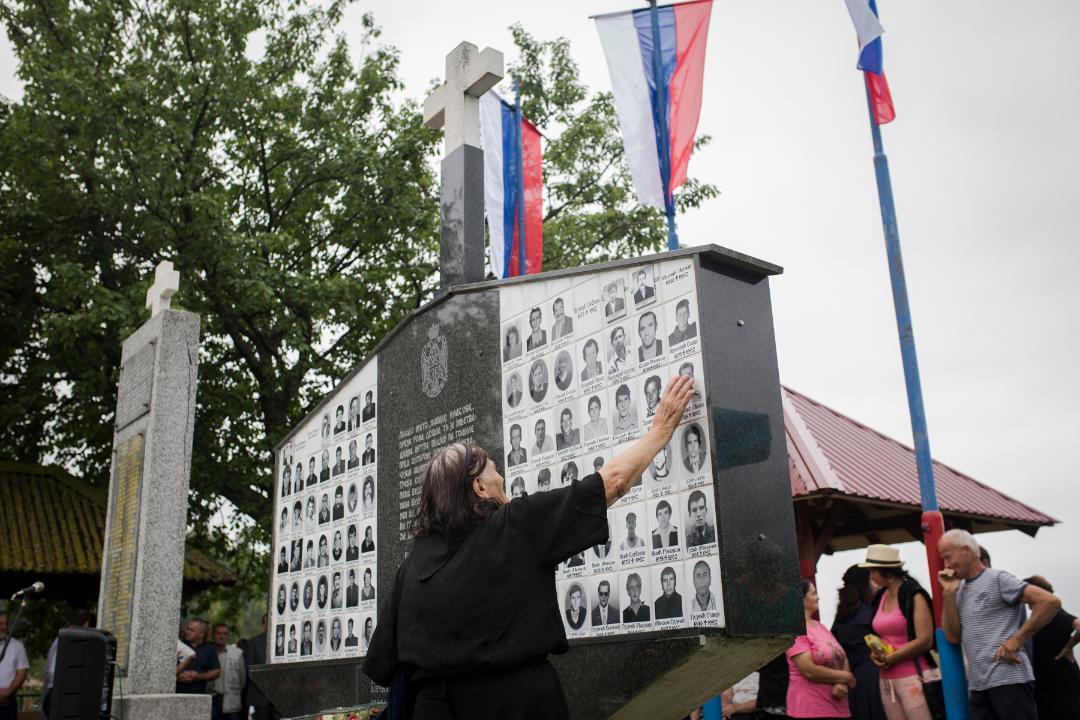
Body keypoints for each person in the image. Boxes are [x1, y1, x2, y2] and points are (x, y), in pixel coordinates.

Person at [363, 374, 695, 718]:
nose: (501, 479)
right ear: (480, 487)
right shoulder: (512, 525)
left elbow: (383, 661)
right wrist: (660, 430)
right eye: (495, 471)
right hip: (513, 705)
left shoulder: (410, 567)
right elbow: (612, 482)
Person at [939, 528, 1061, 720]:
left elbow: (1050, 601)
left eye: (948, 557)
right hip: (978, 685)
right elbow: (953, 637)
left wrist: (1018, 639)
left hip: (1009, 679)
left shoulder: (997, 579)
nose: (946, 565)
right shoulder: (957, 590)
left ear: (967, 551)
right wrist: (948, 593)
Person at [861, 545, 935, 720]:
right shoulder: (880, 596)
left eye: (873, 571)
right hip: (887, 679)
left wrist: (890, 658)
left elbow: (925, 640)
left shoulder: (914, 594)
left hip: (914, 676)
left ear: (887, 572)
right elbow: (877, 634)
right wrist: (875, 654)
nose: (871, 577)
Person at [786, 581, 856, 719]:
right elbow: (808, 670)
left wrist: (841, 682)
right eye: (813, 593)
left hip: (837, 708)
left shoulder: (820, 626)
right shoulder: (795, 629)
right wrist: (846, 677)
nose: (818, 597)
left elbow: (841, 656)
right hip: (810, 709)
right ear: (801, 599)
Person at [831, 566, 887, 720]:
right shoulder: (874, 614)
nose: (878, 584)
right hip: (878, 675)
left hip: (853, 682)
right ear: (864, 584)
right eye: (873, 580)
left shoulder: (841, 618)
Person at [1021, 575, 1080, 718]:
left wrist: (1068, 647)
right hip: (1047, 686)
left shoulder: (1054, 614)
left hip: (1059, 686)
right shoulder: (1039, 617)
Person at [210, 623, 246, 720]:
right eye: (218, 633)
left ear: (228, 636)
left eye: (225, 634)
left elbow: (242, 679)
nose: (221, 636)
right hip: (213, 698)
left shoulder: (237, 653)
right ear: (213, 635)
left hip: (231, 697)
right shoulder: (208, 652)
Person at [242, 615, 276, 720]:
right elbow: (249, 669)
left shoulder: (282, 640)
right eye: (268, 622)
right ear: (263, 625)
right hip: (260, 696)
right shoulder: (253, 643)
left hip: (280, 698)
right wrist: (267, 684)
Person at [177, 619, 221, 697]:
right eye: (188, 629)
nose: (188, 632)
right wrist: (177, 676)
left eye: (192, 630)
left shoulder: (210, 649)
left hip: (199, 694)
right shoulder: (179, 645)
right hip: (177, 693)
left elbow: (216, 671)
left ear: (201, 634)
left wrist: (198, 677)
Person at [0, 611, 29, 720]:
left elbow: (22, 673)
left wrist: (7, 692)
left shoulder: (17, 645)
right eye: (0, 623)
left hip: (7, 701)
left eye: (5, 624)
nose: (3, 627)